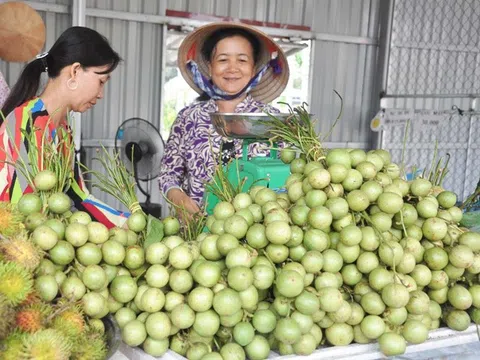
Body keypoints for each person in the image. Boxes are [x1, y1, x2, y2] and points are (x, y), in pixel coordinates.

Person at [0, 26, 128, 228]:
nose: (101, 94)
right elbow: (21, 211)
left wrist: (128, 223)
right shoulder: (26, 122)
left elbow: (79, 196)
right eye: (101, 81)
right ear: (75, 71)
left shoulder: (62, 131)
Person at [158, 22, 290, 216]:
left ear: (253, 69)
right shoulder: (188, 118)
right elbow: (168, 173)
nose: (232, 68)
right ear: (210, 68)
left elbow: (289, 179)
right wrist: (179, 198)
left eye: (242, 60)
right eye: (223, 60)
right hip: (194, 232)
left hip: (255, 236)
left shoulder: (273, 122)